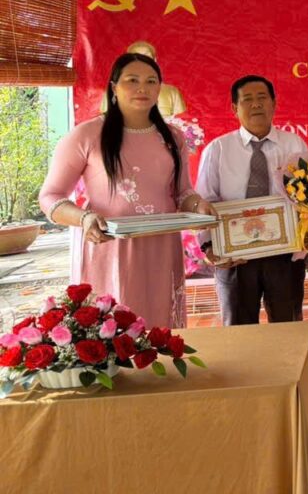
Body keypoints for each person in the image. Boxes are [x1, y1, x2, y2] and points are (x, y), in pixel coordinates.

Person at [39, 52, 213, 328]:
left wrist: (198, 205)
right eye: (132, 80)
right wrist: (84, 218)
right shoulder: (86, 135)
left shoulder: (173, 137)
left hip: (162, 247)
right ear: (114, 87)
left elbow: (183, 193)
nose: (142, 88)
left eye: (151, 81)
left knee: (161, 331)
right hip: (110, 247)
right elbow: (50, 196)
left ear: (159, 88)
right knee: (114, 331)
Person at [195, 75, 308, 326]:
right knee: (238, 332)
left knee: (288, 331)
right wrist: (209, 247)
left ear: (274, 103)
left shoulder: (295, 145)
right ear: (234, 108)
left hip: (284, 256)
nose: (256, 104)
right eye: (247, 99)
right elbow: (204, 201)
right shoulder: (218, 149)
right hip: (234, 257)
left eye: (262, 98)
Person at [99, 41, 186, 118]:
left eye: (147, 56)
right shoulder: (113, 92)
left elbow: (181, 124)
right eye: (137, 57)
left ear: (155, 60)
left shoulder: (172, 92)